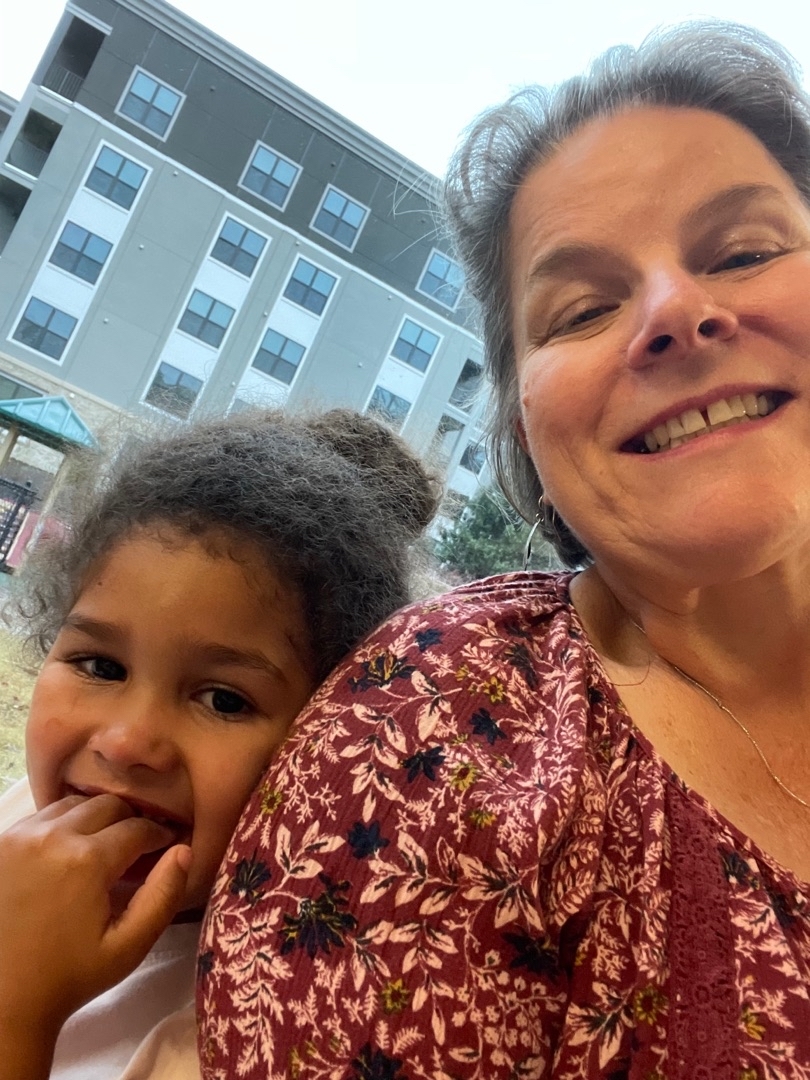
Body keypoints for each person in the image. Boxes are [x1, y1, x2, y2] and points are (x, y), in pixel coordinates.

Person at [198, 21, 810, 1080]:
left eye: (747, 251)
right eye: (582, 308)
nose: (675, 311)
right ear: (527, 429)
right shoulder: (438, 733)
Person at [0, 406, 438, 1080]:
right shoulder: (22, 813)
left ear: (326, 746)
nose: (125, 744)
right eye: (99, 666)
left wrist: (15, 1010)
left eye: (223, 700)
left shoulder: (242, 1022)